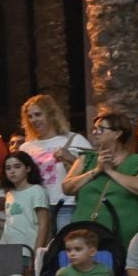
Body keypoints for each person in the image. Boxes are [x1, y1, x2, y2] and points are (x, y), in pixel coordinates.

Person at [62, 111, 138, 250]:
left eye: (100, 129)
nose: (95, 132)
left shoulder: (137, 161)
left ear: (117, 133)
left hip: (127, 240)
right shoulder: (86, 159)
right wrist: (96, 170)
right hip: (86, 240)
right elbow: (67, 187)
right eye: (94, 129)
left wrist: (110, 171)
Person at [19, 94, 89, 227]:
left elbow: (93, 170)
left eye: (38, 114)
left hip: (66, 206)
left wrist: (71, 159)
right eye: (30, 116)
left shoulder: (75, 140)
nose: (34, 120)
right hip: (36, 208)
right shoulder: (26, 147)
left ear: (51, 114)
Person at [0, 149, 53, 252]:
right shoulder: (10, 194)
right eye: (8, 168)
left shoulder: (37, 191)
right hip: (8, 249)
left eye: (17, 166)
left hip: (28, 249)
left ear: (28, 168)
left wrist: (36, 253)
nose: (12, 171)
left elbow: (44, 225)